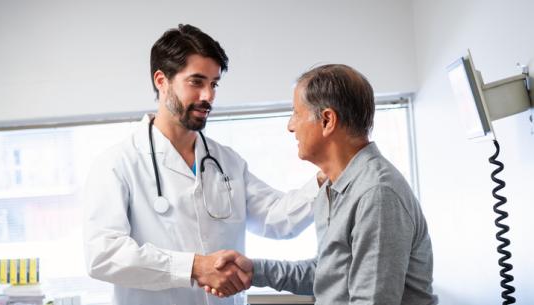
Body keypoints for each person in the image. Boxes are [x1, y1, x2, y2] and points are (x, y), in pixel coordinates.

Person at [83, 24, 324, 305]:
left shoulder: (227, 162)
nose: (208, 96)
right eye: (196, 82)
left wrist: (326, 177)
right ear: (161, 80)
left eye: (214, 84)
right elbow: (103, 254)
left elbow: (277, 220)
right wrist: (196, 268)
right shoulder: (118, 164)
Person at [210, 64, 438, 305]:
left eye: (296, 113)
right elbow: (329, 273)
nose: (290, 126)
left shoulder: (377, 193)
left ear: (328, 120)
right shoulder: (333, 188)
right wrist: (254, 270)